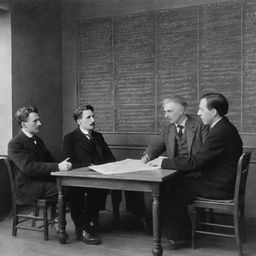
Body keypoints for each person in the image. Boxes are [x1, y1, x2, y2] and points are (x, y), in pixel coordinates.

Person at [148, 93, 243, 250]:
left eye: (201, 109)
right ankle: (175, 230)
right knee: (176, 184)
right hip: (222, 180)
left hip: (220, 186)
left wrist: (163, 162)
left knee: (173, 189)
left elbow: (196, 162)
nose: (198, 113)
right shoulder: (223, 127)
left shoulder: (219, 132)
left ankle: (178, 237)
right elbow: (201, 160)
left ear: (213, 112)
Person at [63, 105, 116, 245]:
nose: (93, 120)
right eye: (89, 117)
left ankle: (86, 224)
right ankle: (83, 229)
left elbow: (110, 157)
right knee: (76, 194)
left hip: (100, 178)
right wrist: (88, 166)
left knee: (100, 190)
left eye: (93, 116)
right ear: (79, 121)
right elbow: (70, 161)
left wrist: (108, 166)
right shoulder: (70, 138)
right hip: (79, 180)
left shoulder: (98, 136)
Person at [8, 107, 72, 214]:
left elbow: (50, 159)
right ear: (24, 124)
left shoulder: (38, 140)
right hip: (28, 187)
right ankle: (58, 218)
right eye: (35, 121)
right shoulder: (15, 143)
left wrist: (63, 165)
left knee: (72, 186)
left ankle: (58, 215)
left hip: (42, 181)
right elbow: (28, 167)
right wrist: (58, 167)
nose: (40, 123)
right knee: (67, 189)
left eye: (39, 120)